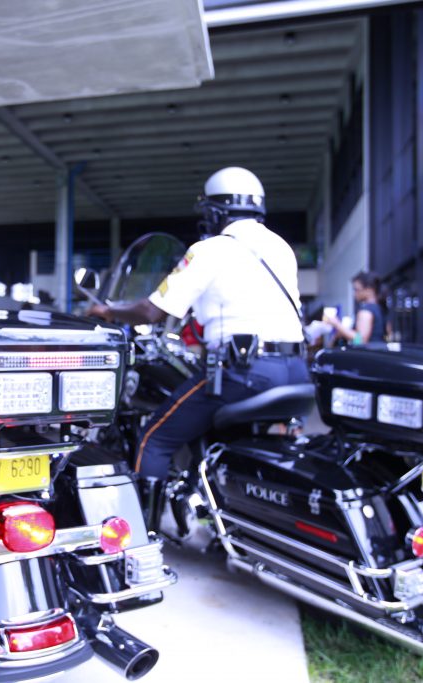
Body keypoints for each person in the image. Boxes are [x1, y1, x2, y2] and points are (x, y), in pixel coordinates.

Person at [87, 167, 309, 530]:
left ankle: (146, 537)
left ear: (217, 212)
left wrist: (106, 310)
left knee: (154, 438)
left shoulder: (209, 250)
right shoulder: (280, 247)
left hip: (245, 372)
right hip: (295, 371)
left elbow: (152, 310)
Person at [325, 271, 388, 344]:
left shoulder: (366, 311)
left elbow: (360, 340)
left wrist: (337, 324)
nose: (354, 294)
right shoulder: (380, 309)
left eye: (356, 290)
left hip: (367, 354)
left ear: (369, 289)